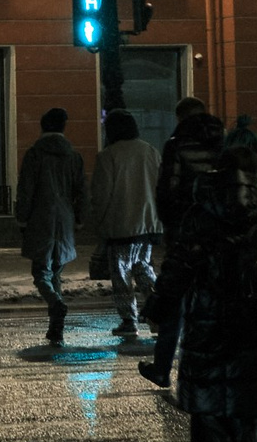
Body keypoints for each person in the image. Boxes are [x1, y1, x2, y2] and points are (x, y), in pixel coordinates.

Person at [171, 136, 257, 442]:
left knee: (204, 384)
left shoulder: (202, 208)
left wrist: (163, 299)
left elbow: (182, 260)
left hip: (209, 304)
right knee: (248, 388)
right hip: (255, 308)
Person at [138, 106, 227, 388]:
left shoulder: (177, 146)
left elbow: (168, 190)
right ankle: (213, 369)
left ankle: (163, 367)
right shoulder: (223, 145)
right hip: (220, 235)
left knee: (174, 297)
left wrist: (172, 227)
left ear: (182, 119)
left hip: (186, 232)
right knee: (214, 304)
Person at [88, 110, 161, 341]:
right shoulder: (150, 151)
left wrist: (99, 224)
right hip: (147, 225)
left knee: (121, 275)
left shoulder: (108, 156)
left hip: (120, 225)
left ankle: (129, 320)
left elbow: (101, 195)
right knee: (144, 270)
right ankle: (160, 313)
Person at [17, 108, 86, 345]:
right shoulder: (74, 156)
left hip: (40, 218)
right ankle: (56, 327)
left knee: (41, 272)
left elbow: (26, 189)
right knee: (57, 271)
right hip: (64, 222)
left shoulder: (35, 154)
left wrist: (22, 217)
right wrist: (79, 219)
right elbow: (81, 191)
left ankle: (55, 304)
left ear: (43, 126)